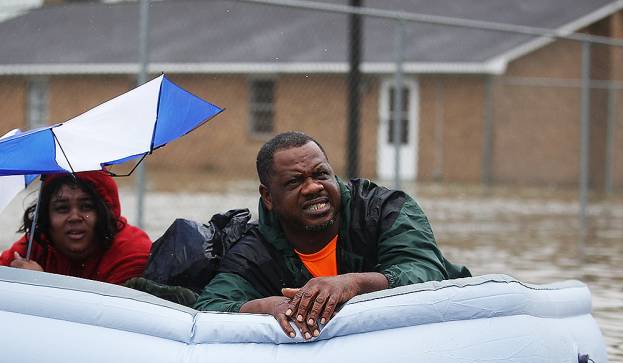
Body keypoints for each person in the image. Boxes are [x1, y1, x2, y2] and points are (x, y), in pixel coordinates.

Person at [194, 131, 470, 339]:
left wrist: (353, 284)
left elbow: (427, 271)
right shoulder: (253, 251)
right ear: (268, 197)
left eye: (321, 174)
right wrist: (267, 306)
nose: (313, 187)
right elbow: (209, 307)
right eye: (295, 181)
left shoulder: (384, 209)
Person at [0, 170, 150, 285]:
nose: (74, 217)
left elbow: (114, 323)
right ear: (46, 217)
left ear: (106, 212)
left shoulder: (132, 253)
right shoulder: (38, 245)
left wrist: (44, 287)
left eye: (87, 207)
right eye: (62, 208)